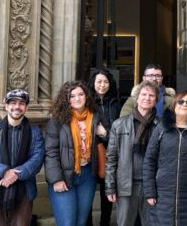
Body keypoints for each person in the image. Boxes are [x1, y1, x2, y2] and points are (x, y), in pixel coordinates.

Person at [45, 81, 108, 226]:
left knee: (81, 222)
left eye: (80, 94)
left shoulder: (96, 117)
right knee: (67, 223)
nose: (77, 98)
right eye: (72, 96)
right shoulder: (57, 120)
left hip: (87, 175)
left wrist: (104, 134)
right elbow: (50, 152)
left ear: (86, 97)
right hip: (64, 175)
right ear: (66, 99)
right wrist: (56, 179)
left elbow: (112, 143)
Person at [0, 89, 45, 226]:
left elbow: (37, 160)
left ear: (26, 107)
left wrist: (15, 174)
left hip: (23, 191)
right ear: (6, 106)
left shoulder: (35, 133)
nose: (17, 107)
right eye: (13, 103)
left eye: (21, 103)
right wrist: (5, 172)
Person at [143, 91, 187, 226]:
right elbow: (149, 160)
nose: (185, 105)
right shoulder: (161, 128)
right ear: (174, 105)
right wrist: (150, 191)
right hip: (163, 195)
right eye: (181, 101)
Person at [105, 81, 158, 226]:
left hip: (152, 186)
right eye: (144, 94)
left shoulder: (161, 126)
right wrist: (110, 186)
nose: (147, 98)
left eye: (151, 95)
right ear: (137, 97)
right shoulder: (119, 124)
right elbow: (111, 159)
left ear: (156, 100)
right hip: (126, 185)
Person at [90, 69, 120, 226]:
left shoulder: (115, 102)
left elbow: (119, 131)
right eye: (99, 81)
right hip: (91, 153)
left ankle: (105, 223)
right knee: (88, 194)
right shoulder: (87, 102)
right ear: (93, 83)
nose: (102, 85)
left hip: (111, 153)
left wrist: (105, 134)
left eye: (106, 82)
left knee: (107, 192)